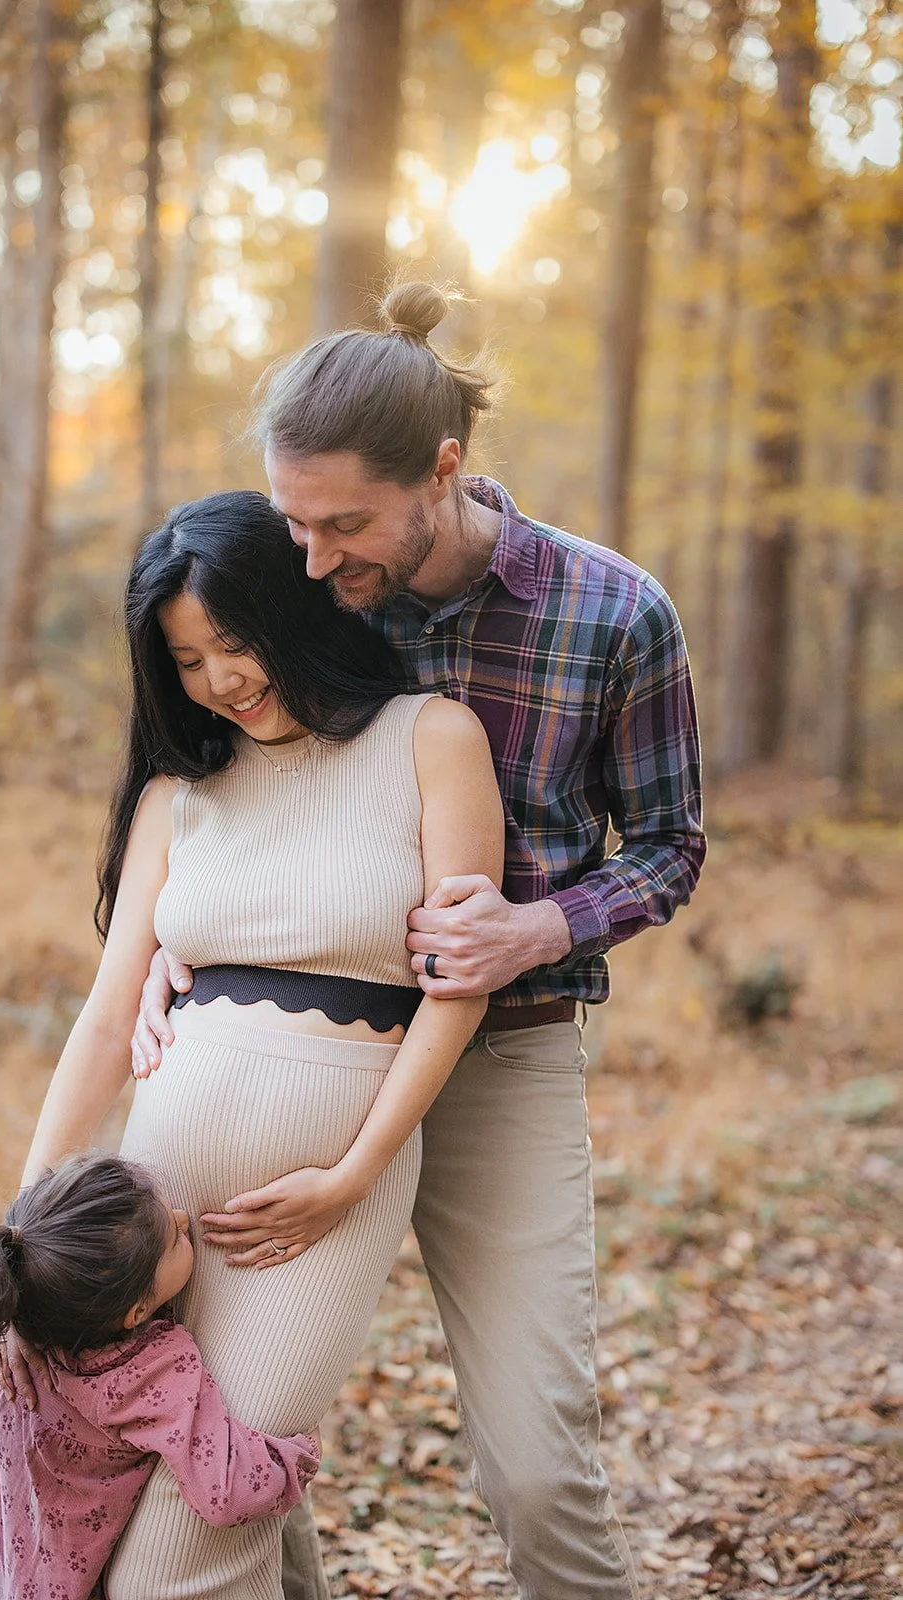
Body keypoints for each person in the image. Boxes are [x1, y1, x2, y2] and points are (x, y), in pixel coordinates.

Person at [134, 281, 706, 1600]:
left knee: (537, 1465)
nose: (318, 558)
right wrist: (178, 946)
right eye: (293, 521)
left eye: (344, 524)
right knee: (231, 1438)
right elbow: (207, 767)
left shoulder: (613, 614)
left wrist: (538, 925)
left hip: (500, 1059)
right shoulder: (294, 593)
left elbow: (667, 848)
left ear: (439, 473)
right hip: (298, 1055)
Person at [8, 489, 505, 1600]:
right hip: (156, 1209)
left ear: (295, 611)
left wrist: (350, 1177)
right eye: (185, 660)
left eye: (233, 641)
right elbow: (107, 1010)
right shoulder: (180, 796)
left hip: (315, 1211)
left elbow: (453, 993)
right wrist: (29, 1210)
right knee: (131, 1508)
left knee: (181, 1553)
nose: (219, 680)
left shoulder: (430, 738)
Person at [0, 1152, 320, 1600]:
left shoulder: (22, 1316)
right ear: (137, 1311)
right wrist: (302, 1451)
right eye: (176, 1238)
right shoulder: (147, 1372)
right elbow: (227, 1490)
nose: (185, 1218)